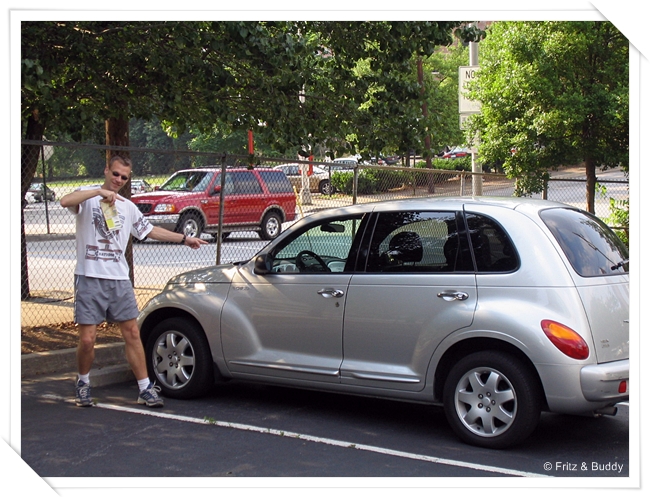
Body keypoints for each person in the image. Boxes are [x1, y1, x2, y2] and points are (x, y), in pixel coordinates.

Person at [60, 155, 208, 408]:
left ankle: (144, 388)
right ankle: (83, 382)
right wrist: (98, 191)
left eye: (124, 177)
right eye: (115, 174)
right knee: (87, 339)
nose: (118, 180)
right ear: (107, 170)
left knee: (131, 333)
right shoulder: (87, 195)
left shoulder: (127, 207)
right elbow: (65, 201)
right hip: (89, 277)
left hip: (119, 279)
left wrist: (184, 239)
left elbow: (149, 230)